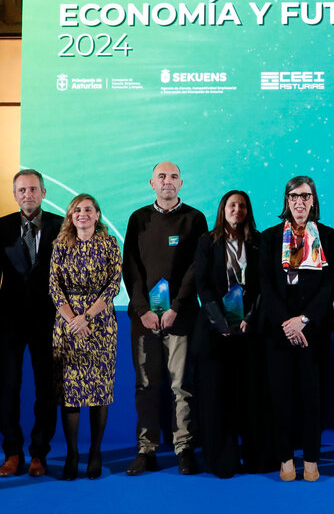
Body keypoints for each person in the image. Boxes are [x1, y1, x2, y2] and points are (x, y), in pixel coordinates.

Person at [122, 161, 208, 476]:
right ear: (152, 183)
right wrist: (143, 309)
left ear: (181, 184)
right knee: (146, 385)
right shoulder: (138, 219)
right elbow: (129, 266)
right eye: (162, 177)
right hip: (143, 320)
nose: (167, 182)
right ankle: (146, 450)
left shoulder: (195, 219)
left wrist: (177, 307)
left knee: (182, 385)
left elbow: (197, 267)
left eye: (173, 177)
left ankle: (184, 448)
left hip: (181, 318)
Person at [191, 189, 276, 478]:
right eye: (231, 205)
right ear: (222, 209)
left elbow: (265, 283)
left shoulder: (259, 242)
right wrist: (220, 322)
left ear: (247, 210)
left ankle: (257, 458)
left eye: (241, 206)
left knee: (252, 396)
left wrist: (249, 319)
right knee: (217, 399)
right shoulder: (207, 242)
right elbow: (201, 284)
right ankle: (221, 460)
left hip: (250, 332)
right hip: (216, 333)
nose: (236, 210)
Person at [0, 170, 64, 478]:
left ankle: (39, 454)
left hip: (49, 319)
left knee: (47, 388)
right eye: (21, 190)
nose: (27, 194)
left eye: (33, 189)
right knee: (7, 387)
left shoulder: (60, 225)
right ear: (14, 194)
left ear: (43, 192)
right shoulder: (2, 226)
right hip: (9, 319)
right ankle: (12, 452)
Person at [260, 176, 334, 482]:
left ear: (313, 200)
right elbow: (265, 283)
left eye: (306, 196)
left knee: (311, 396)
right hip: (278, 331)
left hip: (313, 330)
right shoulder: (269, 237)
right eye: (294, 196)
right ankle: (284, 457)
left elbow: (330, 283)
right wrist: (286, 323)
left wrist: (303, 320)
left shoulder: (328, 235)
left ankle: (311, 458)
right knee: (281, 397)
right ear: (286, 200)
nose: (299, 202)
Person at [49, 194, 121, 480]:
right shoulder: (60, 246)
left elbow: (113, 284)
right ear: (70, 216)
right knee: (70, 392)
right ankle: (72, 453)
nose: (82, 214)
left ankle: (95, 452)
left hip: (100, 323)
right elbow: (54, 288)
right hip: (67, 325)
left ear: (97, 215)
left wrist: (87, 317)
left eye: (88, 210)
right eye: (77, 210)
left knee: (99, 390)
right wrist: (73, 320)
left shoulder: (110, 244)